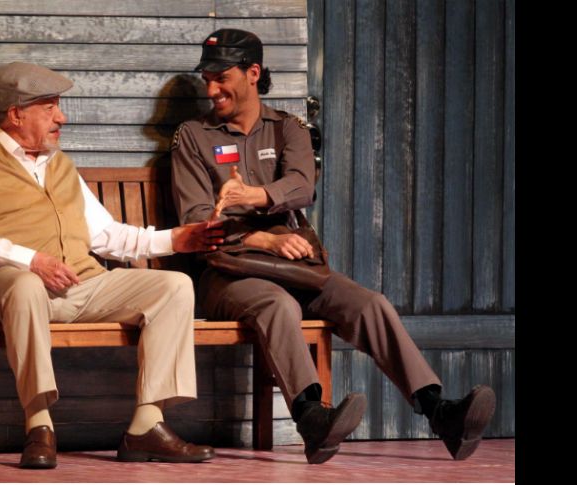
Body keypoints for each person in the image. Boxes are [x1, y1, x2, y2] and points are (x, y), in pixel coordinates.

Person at [170, 29, 496, 464]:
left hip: (294, 267)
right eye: (206, 78)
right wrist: (264, 236)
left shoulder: (289, 128)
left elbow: (303, 186)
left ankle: (440, 411)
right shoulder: (193, 136)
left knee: (369, 303)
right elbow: (195, 222)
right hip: (228, 273)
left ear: (252, 73)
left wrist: (254, 197)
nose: (211, 89)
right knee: (276, 304)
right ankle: (311, 419)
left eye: (220, 77)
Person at [0, 61, 224, 468]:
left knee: (174, 286)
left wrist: (174, 239)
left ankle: (147, 425)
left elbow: (106, 235)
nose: (62, 117)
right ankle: (39, 425)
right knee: (24, 286)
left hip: (77, 285)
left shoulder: (61, 165)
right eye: (50, 107)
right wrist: (31, 261)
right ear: (16, 113)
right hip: (4, 288)